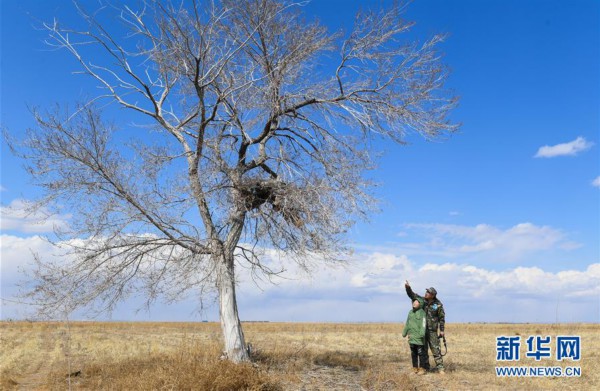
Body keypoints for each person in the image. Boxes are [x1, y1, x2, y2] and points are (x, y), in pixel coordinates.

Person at [405, 280, 446, 374]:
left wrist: (442, 330)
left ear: (433, 295)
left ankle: (440, 368)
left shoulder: (438, 304)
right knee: (423, 350)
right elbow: (412, 295)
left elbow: (441, 318)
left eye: (428, 292)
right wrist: (408, 287)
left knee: (436, 349)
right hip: (422, 330)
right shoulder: (422, 300)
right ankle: (426, 368)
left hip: (432, 331)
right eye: (426, 292)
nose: (426, 293)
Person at [402, 298, 430, 375]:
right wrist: (404, 332)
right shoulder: (410, 312)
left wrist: (422, 333)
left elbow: (423, 324)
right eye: (413, 301)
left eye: (416, 302)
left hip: (419, 338)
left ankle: (422, 368)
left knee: (421, 353)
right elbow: (407, 323)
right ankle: (415, 368)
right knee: (413, 354)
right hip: (411, 337)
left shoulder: (422, 313)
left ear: (420, 303)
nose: (414, 303)